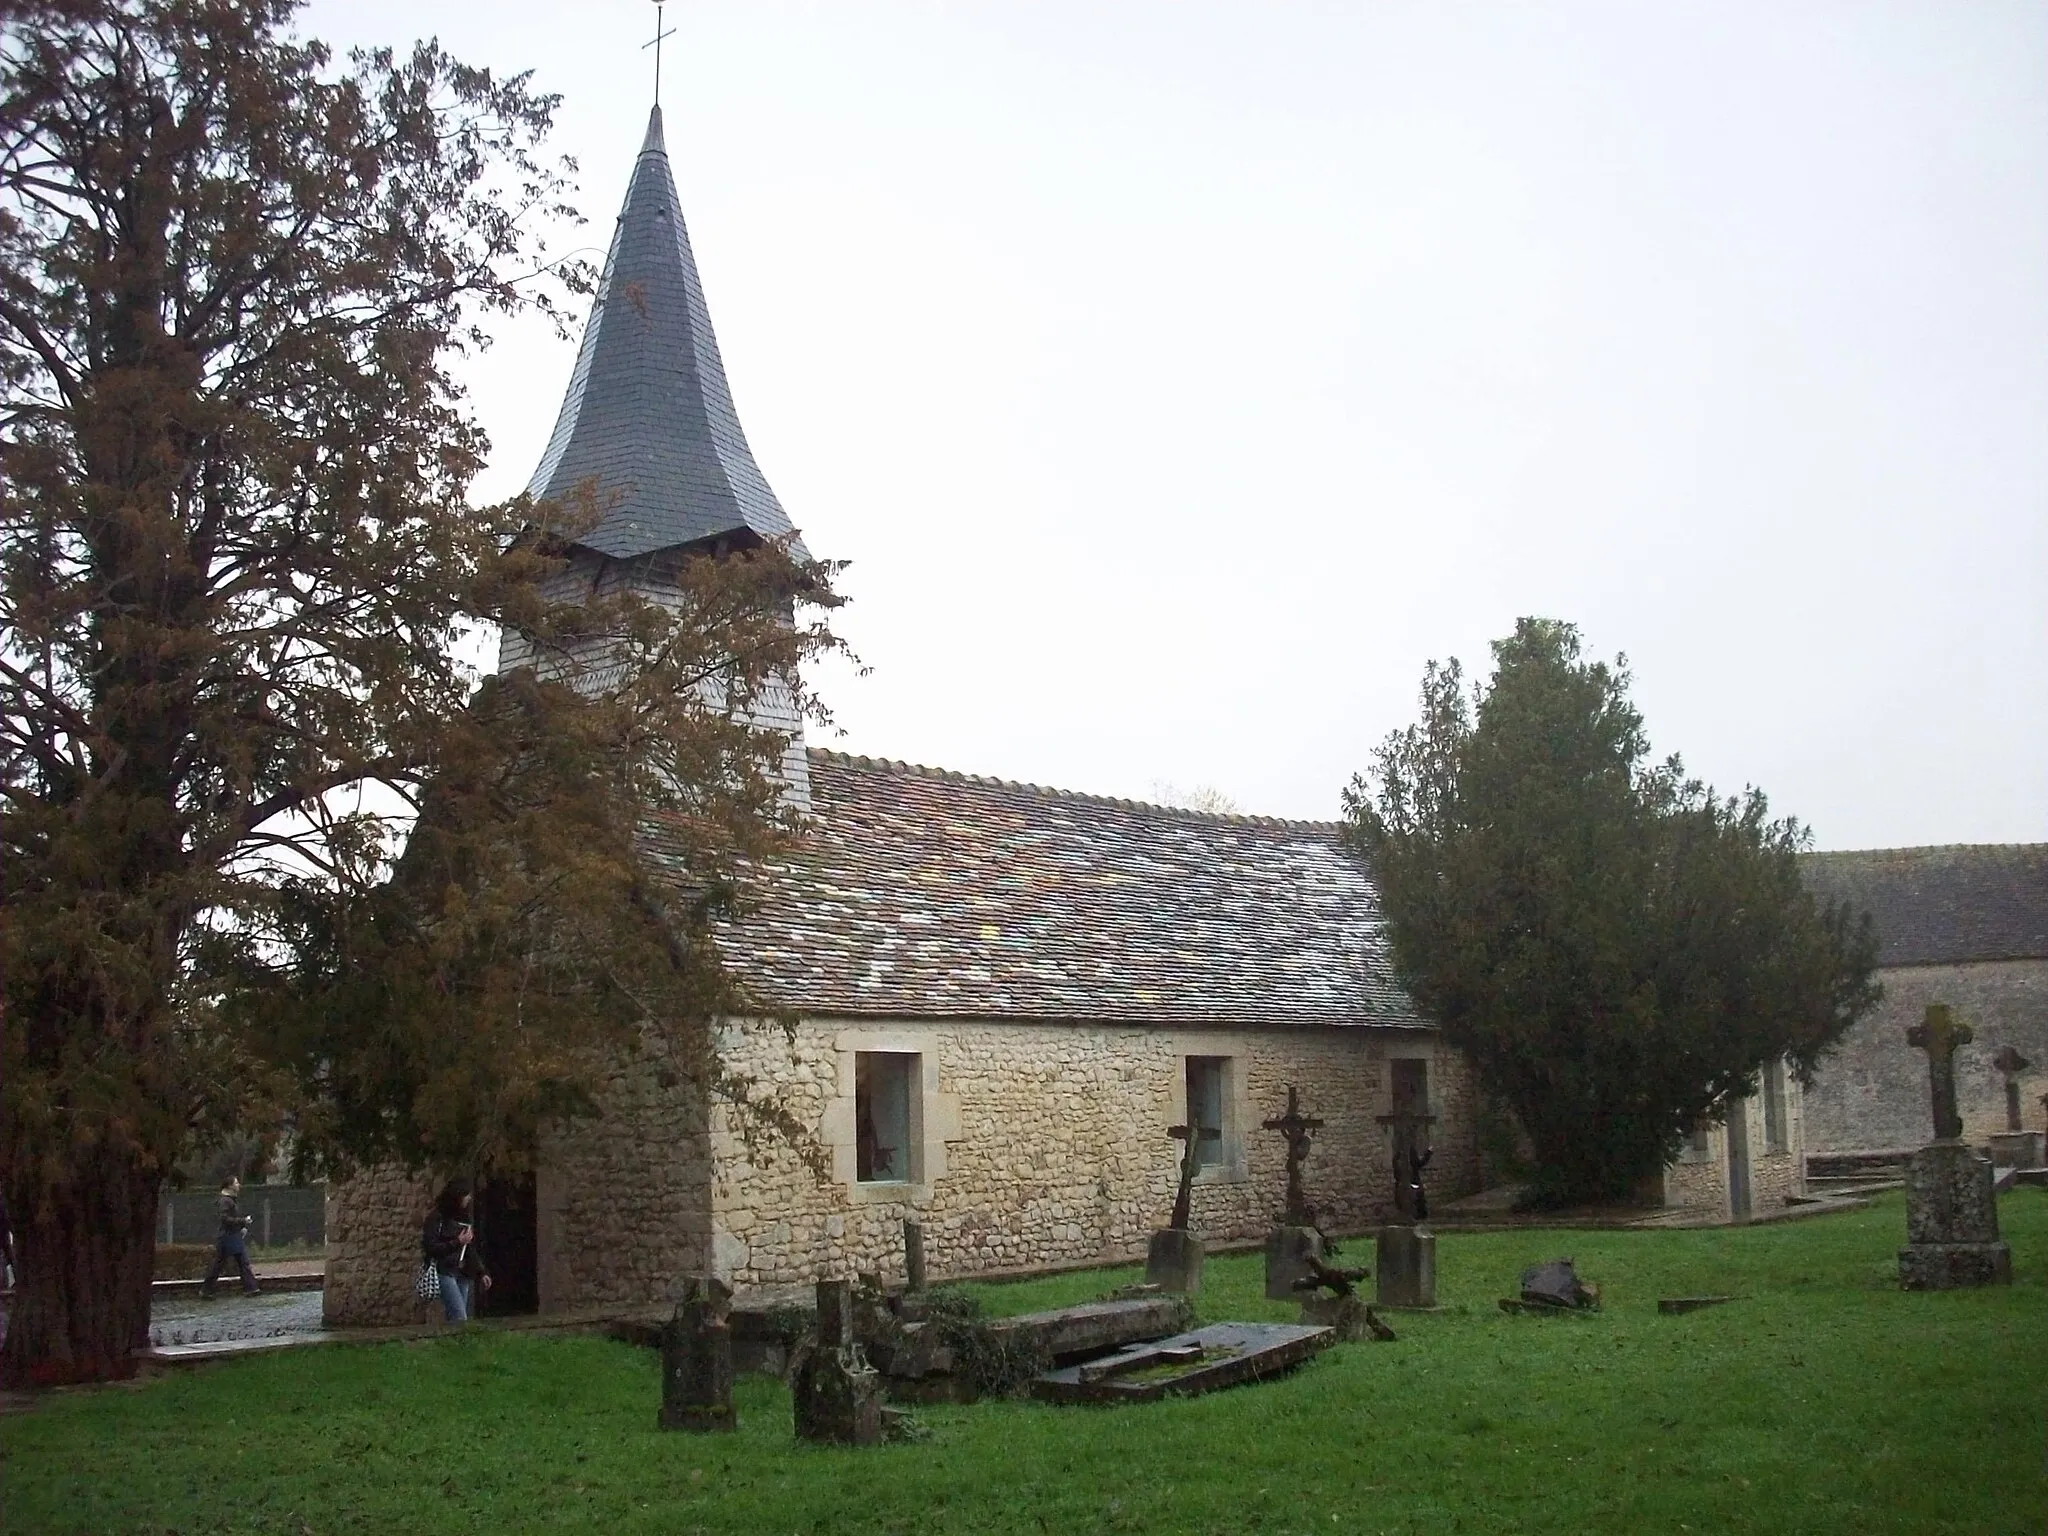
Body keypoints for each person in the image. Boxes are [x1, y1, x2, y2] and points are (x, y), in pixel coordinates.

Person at [421, 1178, 493, 1323]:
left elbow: (469, 1249)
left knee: (454, 1317)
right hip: (444, 1271)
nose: (469, 1198)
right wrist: (457, 1242)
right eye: (466, 1195)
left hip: (462, 1273)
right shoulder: (436, 1218)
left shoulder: (463, 1218)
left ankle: (452, 1344)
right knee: (459, 1317)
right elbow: (431, 1247)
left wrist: (481, 1272)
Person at [200, 1175, 260, 1298]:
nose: (239, 1185)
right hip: (228, 1237)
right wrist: (243, 1221)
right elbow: (225, 1219)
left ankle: (250, 1288)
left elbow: (228, 1219)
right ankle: (250, 1288)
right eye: (236, 1183)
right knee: (231, 1262)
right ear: (230, 1186)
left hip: (230, 1236)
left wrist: (240, 1227)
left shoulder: (228, 1200)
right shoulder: (225, 1201)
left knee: (228, 1262)